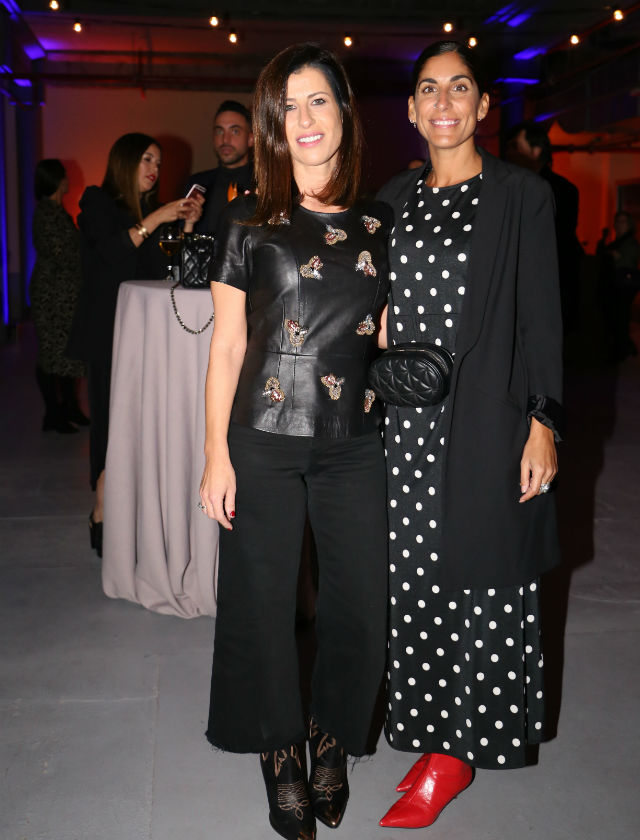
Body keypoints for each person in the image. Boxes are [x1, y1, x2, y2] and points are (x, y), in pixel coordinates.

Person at [199, 43, 391, 840]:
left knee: (360, 606)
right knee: (262, 604)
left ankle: (332, 739)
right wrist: (215, 454)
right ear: (273, 123)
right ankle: (280, 751)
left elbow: (388, 339)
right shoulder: (247, 219)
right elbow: (227, 348)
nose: (305, 119)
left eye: (319, 101)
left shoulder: (382, 222)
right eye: (289, 106)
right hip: (263, 438)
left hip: (356, 441)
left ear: (344, 112)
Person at [375, 40, 563, 829]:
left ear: (484, 106)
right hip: (405, 426)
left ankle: (459, 752)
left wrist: (543, 421)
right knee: (414, 581)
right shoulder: (392, 197)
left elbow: (541, 316)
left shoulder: (521, 196)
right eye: (429, 89)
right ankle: (428, 733)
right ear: (412, 109)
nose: (444, 102)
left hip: (487, 417)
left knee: (484, 577)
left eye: (460, 88)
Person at [67, 133, 203, 558]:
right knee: (110, 425)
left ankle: (134, 515)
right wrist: (156, 218)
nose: (155, 169)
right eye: (147, 159)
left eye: (158, 163)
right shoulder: (97, 202)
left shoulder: (151, 211)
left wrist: (186, 224)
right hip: (108, 333)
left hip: (145, 334)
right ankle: (102, 510)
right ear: (125, 161)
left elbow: (166, 268)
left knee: (141, 427)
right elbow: (109, 254)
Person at [505, 120, 583, 333]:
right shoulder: (513, 186)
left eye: (516, 146)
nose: (510, 152)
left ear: (536, 150)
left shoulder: (557, 189)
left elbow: (555, 236)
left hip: (548, 283)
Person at [30, 159, 87, 434]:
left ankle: (69, 407)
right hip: (51, 294)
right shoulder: (46, 213)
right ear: (55, 180)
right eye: (64, 176)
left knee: (65, 353)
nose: (67, 180)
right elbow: (63, 254)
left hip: (62, 292)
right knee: (51, 354)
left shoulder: (55, 211)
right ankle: (53, 413)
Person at [185, 99, 254, 235]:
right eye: (219, 132)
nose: (225, 140)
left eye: (235, 131)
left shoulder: (266, 185)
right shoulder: (197, 184)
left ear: (251, 139)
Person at [596, 210, 640, 360]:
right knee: (618, 317)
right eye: (618, 221)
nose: (619, 225)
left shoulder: (630, 242)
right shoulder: (617, 242)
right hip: (616, 285)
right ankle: (625, 347)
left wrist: (615, 256)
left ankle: (621, 350)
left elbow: (626, 261)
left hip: (623, 285)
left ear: (629, 225)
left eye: (623, 222)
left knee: (620, 317)